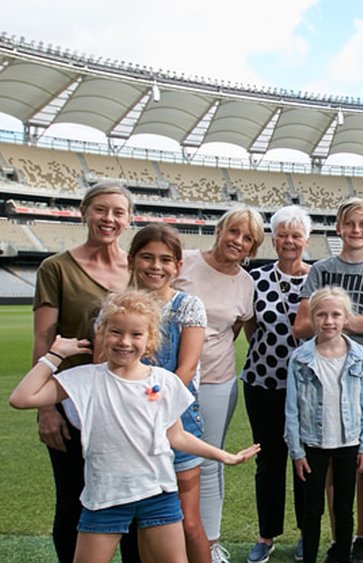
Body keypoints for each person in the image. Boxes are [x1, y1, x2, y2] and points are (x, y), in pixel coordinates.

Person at [10, 289, 259, 563]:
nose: (124, 342)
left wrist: (223, 455)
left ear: (151, 339)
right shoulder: (85, 379)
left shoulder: (165, 381)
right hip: (105, 498)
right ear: (101, 333)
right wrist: (54, 355)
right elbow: (22, 398)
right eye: (115, 332)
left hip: (158, 494)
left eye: (136, 334)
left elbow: (175, 435)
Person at [31, 181, 140, 563]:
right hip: (73, 399)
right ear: (84, 212)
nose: (108, 219)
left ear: (129, 219)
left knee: (132, 497)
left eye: (118, 212)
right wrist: (46, 409)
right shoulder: (56, 268)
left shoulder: (138, 267)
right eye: (100, 210)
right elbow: (43, 337)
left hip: (129, 401)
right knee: (74, 495)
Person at [294, 197, 363, 563]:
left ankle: (361, 536)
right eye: (349, 224)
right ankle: (338, 537)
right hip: (322, 375)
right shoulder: (320, 269)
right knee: (328, 455)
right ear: (338, 228)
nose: (356, 231)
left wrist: (335, 317)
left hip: (361, 375)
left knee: (359, 456)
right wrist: (356, 318)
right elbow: (302, 326)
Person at [176, 206, 265, 563]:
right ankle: (160, 536)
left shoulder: (246, 284)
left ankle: (209, 544)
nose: (238, 242)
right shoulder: (184, 261)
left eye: (248, 239)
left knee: (209, 460)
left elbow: (239, 332)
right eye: (234, 232)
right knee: (160, 457)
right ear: (220, 230)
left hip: (216, 380)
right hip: (165, 378)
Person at [126, 223, 211, 563]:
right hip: (130, 426)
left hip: (177, 422)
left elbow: (184, 372)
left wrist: (154, 411)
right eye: (147, 257)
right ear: (132, 260)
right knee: (147, 523)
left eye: (165, 259)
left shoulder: (188, 306)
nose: (155, 266)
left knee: (188, 522)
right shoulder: (118, 305)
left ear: (178, 266)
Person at [241, 205, 313, 563]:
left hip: (306, 388)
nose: (289, 241)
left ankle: (306, 532)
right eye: (283, 234)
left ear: (307, 240)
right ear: (273, 238)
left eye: (296, 235)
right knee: (269, 462)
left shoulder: (318, 279)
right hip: (262, 382)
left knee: (304, 461)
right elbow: (250, 326)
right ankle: (266, 535)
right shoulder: (256, 278)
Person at [285, 287, 363, 563]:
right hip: (313, 444)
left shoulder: (359, 355)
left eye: (336, 314)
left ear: (346, 317)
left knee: (344, 508)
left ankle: (341, 556)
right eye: (322, 315)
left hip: (348, 443)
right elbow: (292, 409)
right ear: (312, 318)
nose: (329, 321)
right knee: (312, 509)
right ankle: (309, 556)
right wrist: (297, 452)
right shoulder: (300, 358)